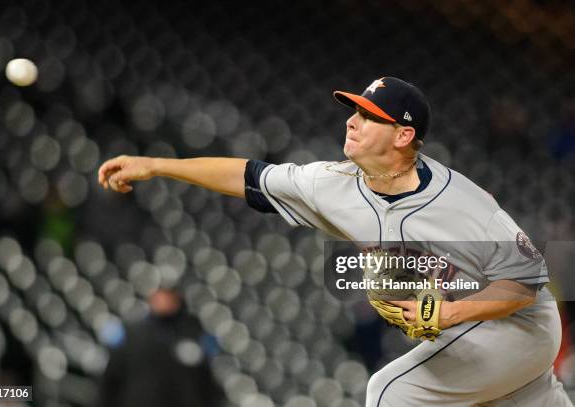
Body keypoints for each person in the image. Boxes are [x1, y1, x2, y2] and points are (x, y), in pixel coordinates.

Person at [97, 77, 573, 406]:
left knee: (391, 392)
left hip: (520, 330)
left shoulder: (462, 204)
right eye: (354, 111)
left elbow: (527, 281)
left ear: (404, 135)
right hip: (482, 344)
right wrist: (158, 165)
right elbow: (249, 176)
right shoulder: (333, 184)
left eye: (369, 116)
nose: (352, 121)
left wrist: (450, 312)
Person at [96, 288, 223, 407]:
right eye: (160, 295)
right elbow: (112, 379)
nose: (163, 300)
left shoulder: (194, 333)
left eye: (168, 294)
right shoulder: (133, 335)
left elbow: (206, 382)